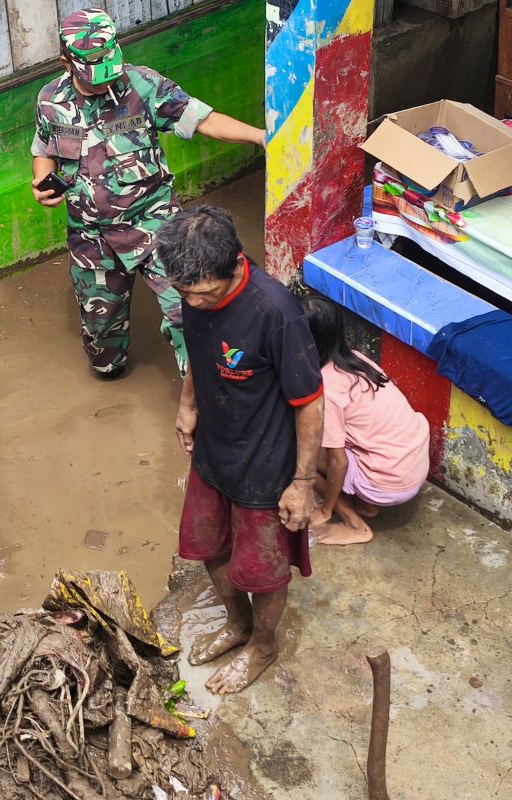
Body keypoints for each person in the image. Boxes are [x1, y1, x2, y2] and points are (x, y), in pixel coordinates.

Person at [30, 8, 265, 380]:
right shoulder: (50, 101)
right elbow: (43, 150)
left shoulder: (144, 86)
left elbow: (200, 118)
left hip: (156, 224)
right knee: (103, 347)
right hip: (93, 241)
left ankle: (208, 399)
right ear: (66, 62)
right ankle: (110, 359)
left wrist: (259, 136)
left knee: (188, 315)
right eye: (93, 77)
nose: (104, 82)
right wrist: (42, 183)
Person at [158, 206, 324, 695]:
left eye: (199, 292)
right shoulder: (195, 290)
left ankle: (263, 644)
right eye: (183, 291)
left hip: (267, 465)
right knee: (209, 549)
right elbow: (199, 351)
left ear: (232, 265)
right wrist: (188, 405)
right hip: (215, 451)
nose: (189, 300)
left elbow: (310, 403)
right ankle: (237, 623)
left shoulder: (275, 311)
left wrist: (302, 483)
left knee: (263, 572)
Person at [302, 295, 430, 545]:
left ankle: (355, 524)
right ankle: (367, 505)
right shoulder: (356, 358)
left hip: (388, 482)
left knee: (297, 456)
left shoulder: (326, 388)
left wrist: (326, 510)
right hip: (411, 466)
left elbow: (337, 462)